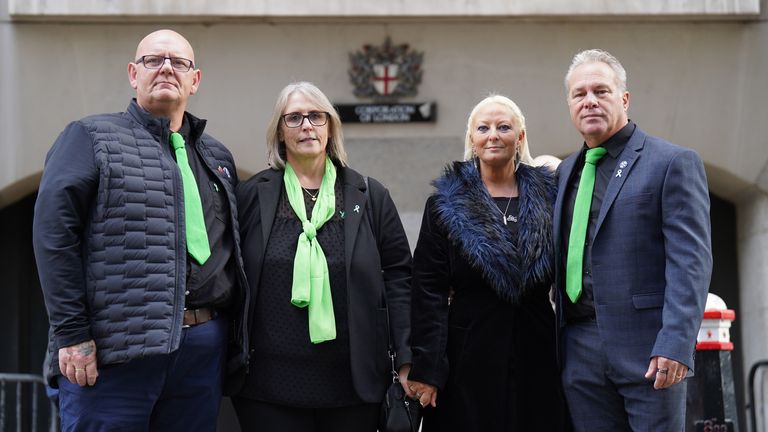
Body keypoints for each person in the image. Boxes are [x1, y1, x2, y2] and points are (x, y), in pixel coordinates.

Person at [32, 29, 247, 431]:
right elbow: (53, 238)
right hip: (115, 353)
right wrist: (72, 334)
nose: (166, 67)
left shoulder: (217, 156)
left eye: (178, 62)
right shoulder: (90, 137)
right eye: (153, 60)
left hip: (203, 351)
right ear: (133, 74)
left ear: (194, 80)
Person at [231, 81, 413, 432]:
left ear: (330, 128)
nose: (306, 126)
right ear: (280, 133)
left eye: (316, 116)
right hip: (267, 386)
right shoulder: (252, 195)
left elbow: (399, 278)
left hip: (352, 383)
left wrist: (406, 357)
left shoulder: (369, 195)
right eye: (294, 118)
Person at [554, 49, 712, 431]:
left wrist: (676, 343)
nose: (589, 100)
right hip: (579, 351)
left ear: (623, 99)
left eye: (601, 91)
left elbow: (690, 262)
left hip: (649, 352)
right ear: (570, 104)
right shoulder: (564, 173)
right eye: (579, 94)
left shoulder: (672, 162)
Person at [407, 95, 567, 431]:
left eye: (503, 126)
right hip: (467, 355)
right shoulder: (443, 207)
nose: (493, 134)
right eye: (483, 128)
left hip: (537, 352)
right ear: (472, 140)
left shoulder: (551, 197)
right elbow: (428, 292)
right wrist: (428, 369)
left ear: (520, 137)